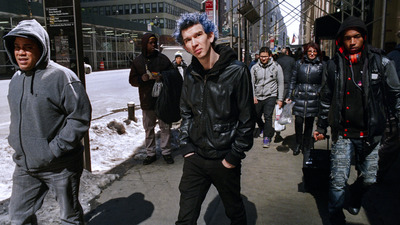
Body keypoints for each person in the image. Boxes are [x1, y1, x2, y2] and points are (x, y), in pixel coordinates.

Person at [313, 16, 400, 225]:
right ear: (341, 41)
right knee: (337, 181)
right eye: (347, 38)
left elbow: (395, 95)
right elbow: (325, 99)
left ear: (364, 38)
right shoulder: (333, 67)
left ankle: (356, 195)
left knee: (370, 178)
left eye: (357, 37)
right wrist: (321, 126)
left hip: (372, 134)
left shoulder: (382, 63)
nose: (352, 42)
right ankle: (335, 217)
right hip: (343, 133)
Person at [3, 19, 92, 224]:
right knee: (18, 218)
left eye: (27, 47)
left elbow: (79, 117)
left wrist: (54, 150)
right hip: (26, 166)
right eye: (16, 48)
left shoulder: (62, 77)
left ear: (41, 48)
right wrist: (16, 144)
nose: (21, 53)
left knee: (69, 217)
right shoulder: (16, 79)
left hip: (60, 165)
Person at [173, 12, 255, 225]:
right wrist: (186, 146)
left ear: (210, 35)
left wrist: (233, 157)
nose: (194, 43)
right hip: (195, 158)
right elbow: (186, 111)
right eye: (188, 40)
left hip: (224, 158)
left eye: (197, 35)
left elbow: (247, 120)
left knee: (235, 214)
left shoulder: (237, 72)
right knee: (185, 219)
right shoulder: (190, 73)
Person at [129, 33, 174, 165]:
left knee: (165, 127)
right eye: (151, 43)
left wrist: (162, 76)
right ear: (144, 44)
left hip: (162, 99)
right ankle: (151, 154)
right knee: (148, 128)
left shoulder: (163, 59)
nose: (153, 45)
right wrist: (141, 79)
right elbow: (131, 80)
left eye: (155, 43)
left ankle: (166, 152)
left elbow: (172, 73)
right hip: (147, 100)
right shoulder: (138, 61)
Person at [285, 42, 324, 160]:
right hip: (300, 95)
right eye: (310, 51)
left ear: (317, 53)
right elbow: (293, 80)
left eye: (314, 51)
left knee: (309, 123)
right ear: (306, 52)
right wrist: (289, 95)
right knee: (298, 121)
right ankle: (298, 143)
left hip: (313, 97)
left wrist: (319, 91)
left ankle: (306, 145)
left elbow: (324, 82)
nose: (312, 54)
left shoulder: (321, 65)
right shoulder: (299, 64)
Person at [251, 47, 284, 148]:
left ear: (270, 56)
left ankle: (267, 137)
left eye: (265, 56)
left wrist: (280, 99)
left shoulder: (276, 67)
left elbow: (281, 83)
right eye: (261, 57)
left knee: (268, 116)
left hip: (271, 95)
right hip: (258, 96)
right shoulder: (254, 68)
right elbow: (251, 83)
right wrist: (253, 96)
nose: (263, 59)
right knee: (256, 115)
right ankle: (262, 127)